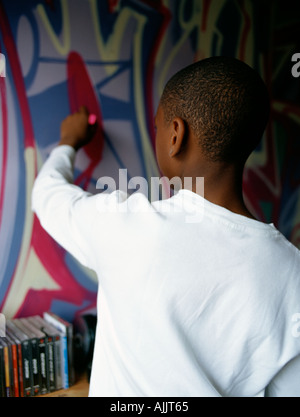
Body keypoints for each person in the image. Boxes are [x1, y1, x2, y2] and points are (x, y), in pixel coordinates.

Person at [32, 56, 300, 397]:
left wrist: (68, 141)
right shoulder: (292, 271)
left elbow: (48, 196)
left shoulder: (125, 225)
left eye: (158, 127)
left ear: (176, 134)